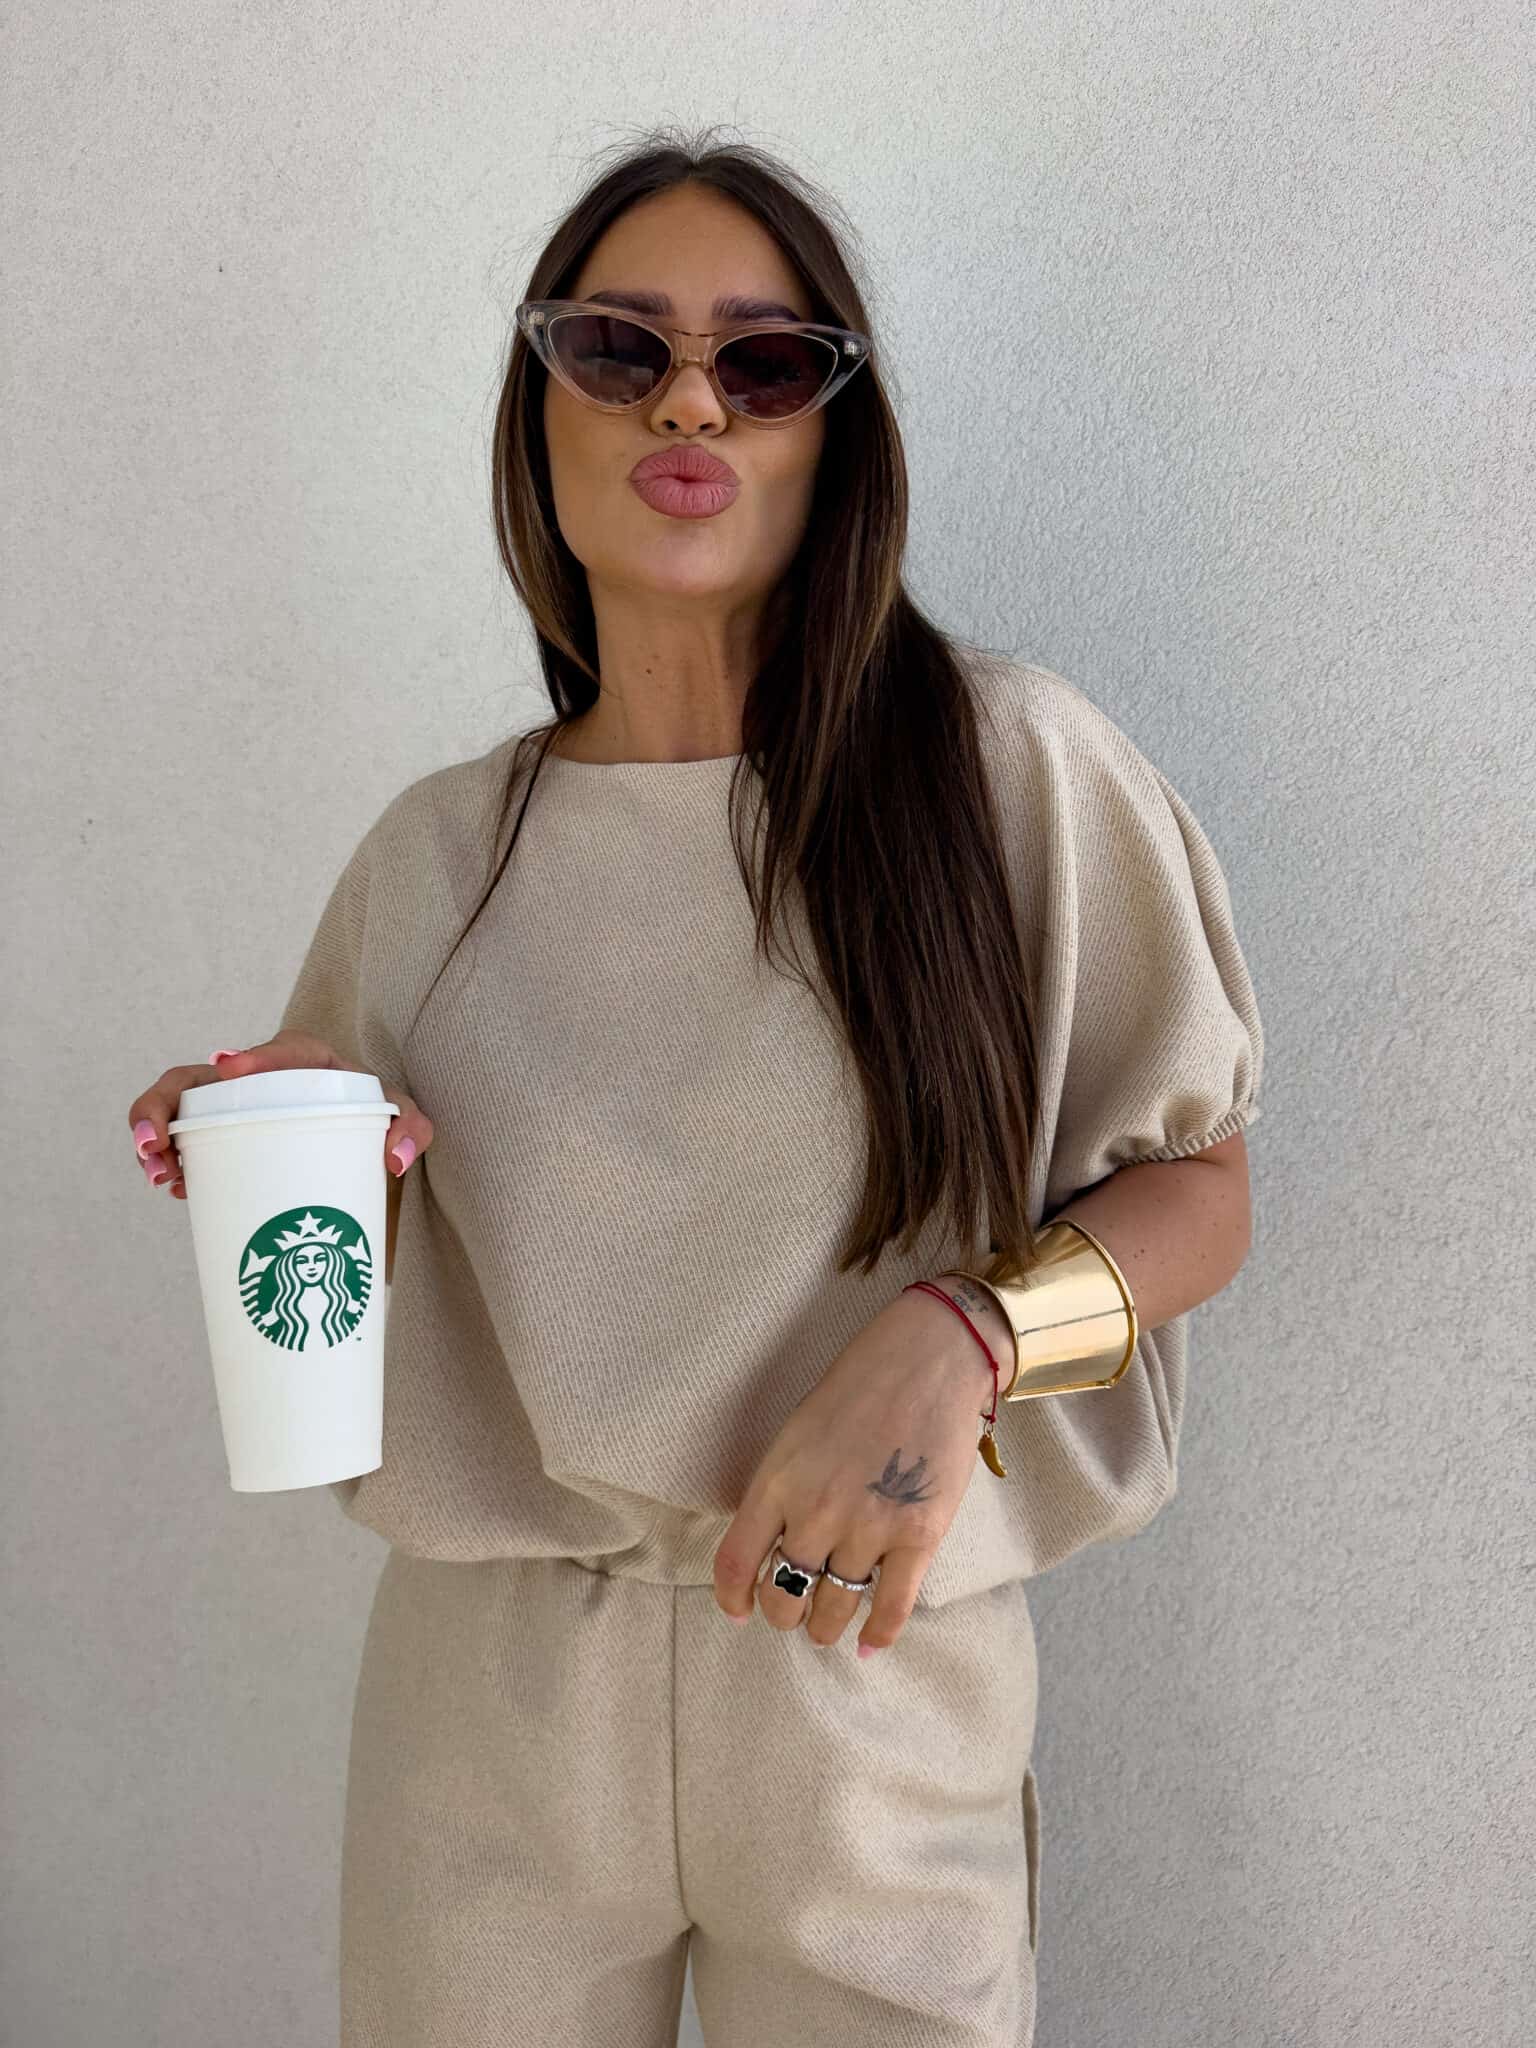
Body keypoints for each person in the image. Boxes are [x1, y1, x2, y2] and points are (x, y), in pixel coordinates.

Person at [127, 129, 1263, 2048]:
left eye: (764, 360)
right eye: (617, 346)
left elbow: (1204, 1192)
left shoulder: (1006, 774)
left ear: (838, 428)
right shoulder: (435, 857)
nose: (687, 402)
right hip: (493, 1697)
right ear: (540, 406)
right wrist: (299, 1154)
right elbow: (346, 1307)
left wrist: (968, 1335)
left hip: (866, 1671)